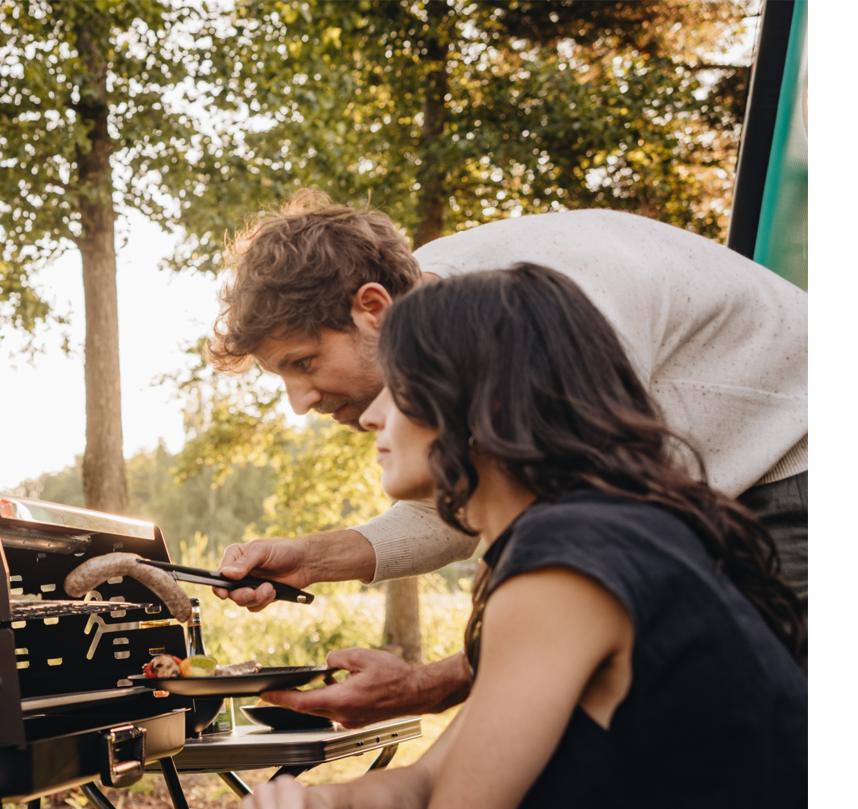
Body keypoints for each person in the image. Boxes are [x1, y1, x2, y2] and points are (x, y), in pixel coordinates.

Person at [230, 264, 806, 809]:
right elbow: (427, 786)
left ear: (478, 402)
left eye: (399, 392)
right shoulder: (607, 534)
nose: (373, 418)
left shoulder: (564, 564)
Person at [208, 192, 808, 727]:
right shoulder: (442, 325)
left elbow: (595, 580)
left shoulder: (546, 320)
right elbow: (454, 509)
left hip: (798, 457)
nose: (300, 402)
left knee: (772, 730)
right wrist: (310, 560)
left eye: (304, 363)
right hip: (710, 492)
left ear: (373, 308)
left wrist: (429, 684)